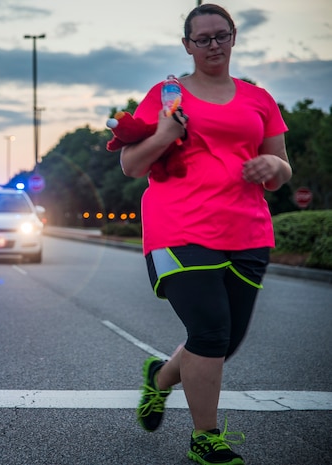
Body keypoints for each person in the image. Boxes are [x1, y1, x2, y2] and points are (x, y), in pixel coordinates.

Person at [120, 4, 292, 465]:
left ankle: (159, 378)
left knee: (224, 341)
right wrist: (162, 134)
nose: (213, 45)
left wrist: (272, 166)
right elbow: (132, 164)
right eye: (203, 39)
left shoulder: (259, 99)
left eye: (222, 35)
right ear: (187, 45)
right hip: (178, 229)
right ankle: (205, 438)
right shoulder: (168, 95)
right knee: (210, 331)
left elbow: (281, 169)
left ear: (234, 37)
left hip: (248, 231)